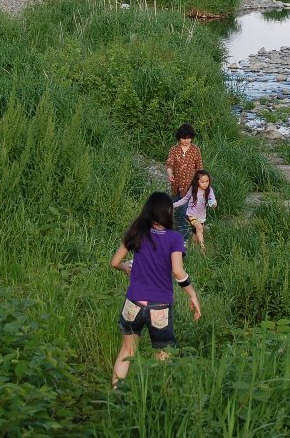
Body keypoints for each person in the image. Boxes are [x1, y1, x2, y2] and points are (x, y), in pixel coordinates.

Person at [110, 192, 201, 386]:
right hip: (159, 306)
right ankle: (161, 399)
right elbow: (177, 271)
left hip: (133, 303)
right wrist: (192, 294)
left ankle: (115, 396)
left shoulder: (137, 232)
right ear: (168, 212)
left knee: (127, 352)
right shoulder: (174, 238)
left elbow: (115, 262)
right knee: (163, 355)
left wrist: (127, 267)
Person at [166, 123, 203, 240]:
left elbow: (199, 168)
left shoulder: (195, 150)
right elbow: (169, 164)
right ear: (179, 138)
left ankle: (184, 238)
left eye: (189, 138)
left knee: (184, 212)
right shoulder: (174, 150)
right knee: (175, 211)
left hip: (190, 187)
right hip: (176, 186)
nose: (186, 141)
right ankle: (178, 235)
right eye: (183, 138)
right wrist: (170, 174)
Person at [172, 170, 216, 253]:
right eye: (202, 182)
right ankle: (203, 249)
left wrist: (213, 204)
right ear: (197, 181)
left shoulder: (209, 190)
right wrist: (174, 204)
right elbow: (185, 199)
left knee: (195, 236)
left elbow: (213, 199)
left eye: (207, 181)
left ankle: (192, 252)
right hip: (191, 214)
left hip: (202, 216)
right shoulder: (193, 189)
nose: (205, 184)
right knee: (199, 228)